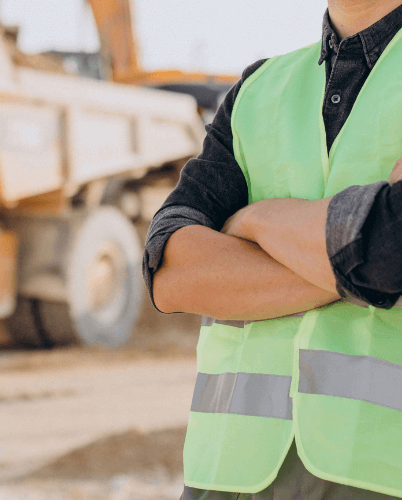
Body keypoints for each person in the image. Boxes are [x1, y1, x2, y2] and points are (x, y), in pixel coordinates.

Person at [142, 1, 402, 499]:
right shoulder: (259, 90)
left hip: (378, 473)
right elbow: (170, 273)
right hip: (226, 472)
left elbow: (392, 252)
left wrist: (255, 219)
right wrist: (362, 260)